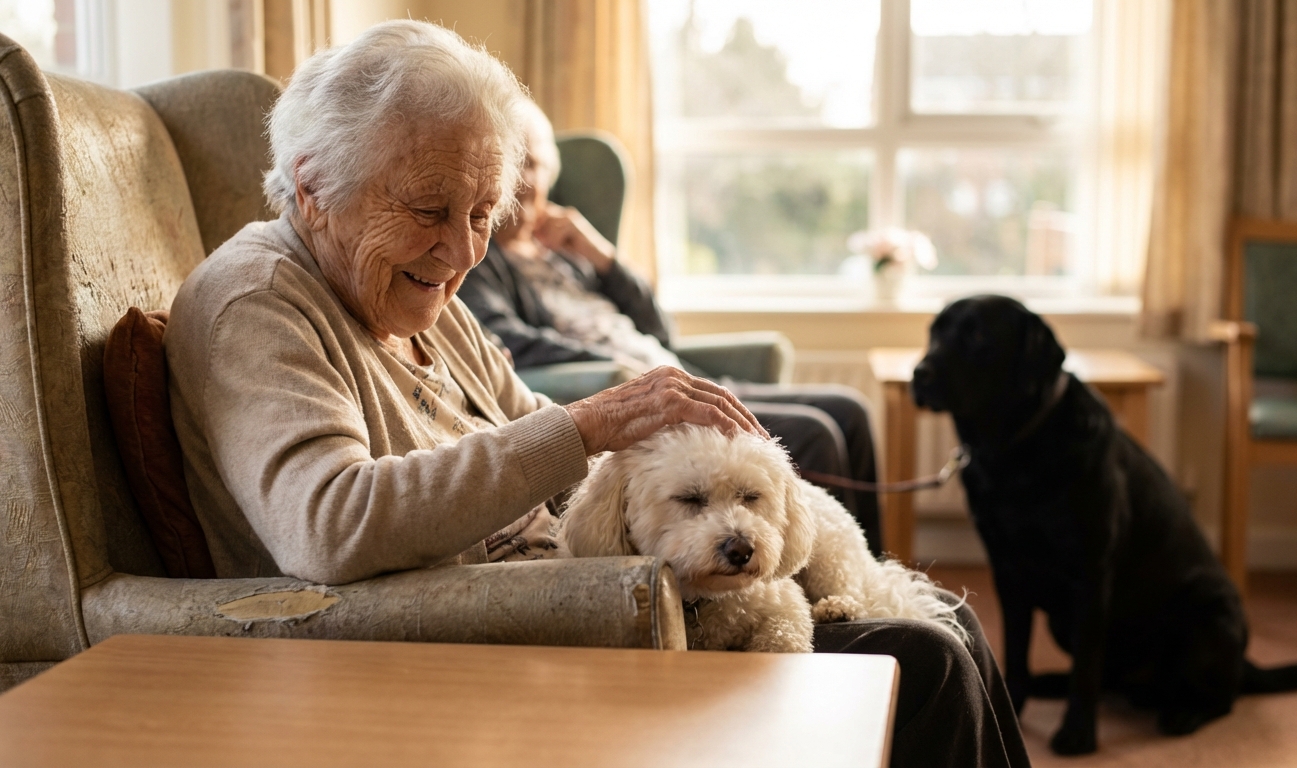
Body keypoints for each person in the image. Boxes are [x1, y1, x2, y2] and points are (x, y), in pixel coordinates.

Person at [162, 21, 1028, 767]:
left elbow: (535, 432)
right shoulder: (260, 303)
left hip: (589, 594)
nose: (461, 251)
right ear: (312, 189)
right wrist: (588, 425)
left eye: (481, 214)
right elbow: (328, 524)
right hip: (486, 635)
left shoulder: (414, 297)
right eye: (430, 208)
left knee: (948, 618)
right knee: (925, 664)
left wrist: (644, 438)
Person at [458, 99, 884, 556]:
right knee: (817, 432)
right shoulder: (483, 260)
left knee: (850, 410)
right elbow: (508, 342)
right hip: (646, 398)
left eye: (537, 165)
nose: (527, 181)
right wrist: (623, 373)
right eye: (515, 165)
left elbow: (659, 329)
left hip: (680, 379)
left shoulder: (562, 251)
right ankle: (817, 589)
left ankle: (872, 574)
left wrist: (601, 255)